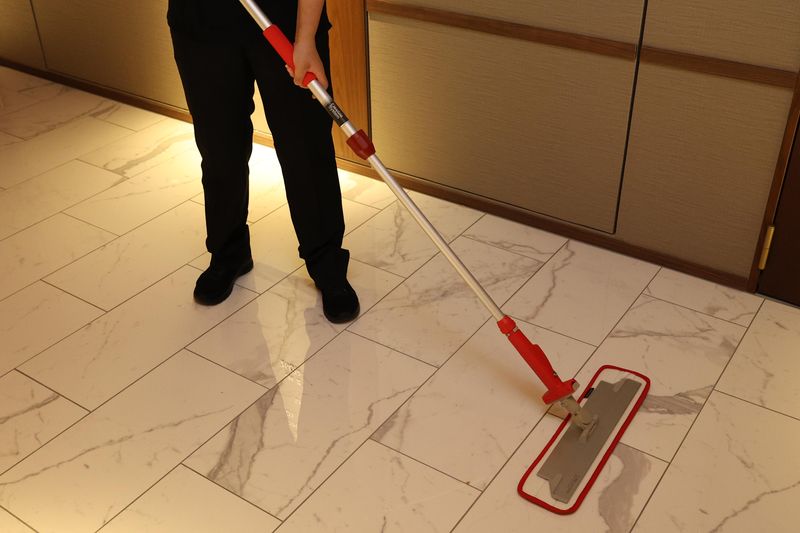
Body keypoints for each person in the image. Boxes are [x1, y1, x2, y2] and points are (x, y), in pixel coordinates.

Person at [166, 0, 359, 323]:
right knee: (218, 147)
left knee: (305, 147)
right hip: (201, 22)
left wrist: (306, 36)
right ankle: (229, 251)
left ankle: (327, 263)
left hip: (282, 17)